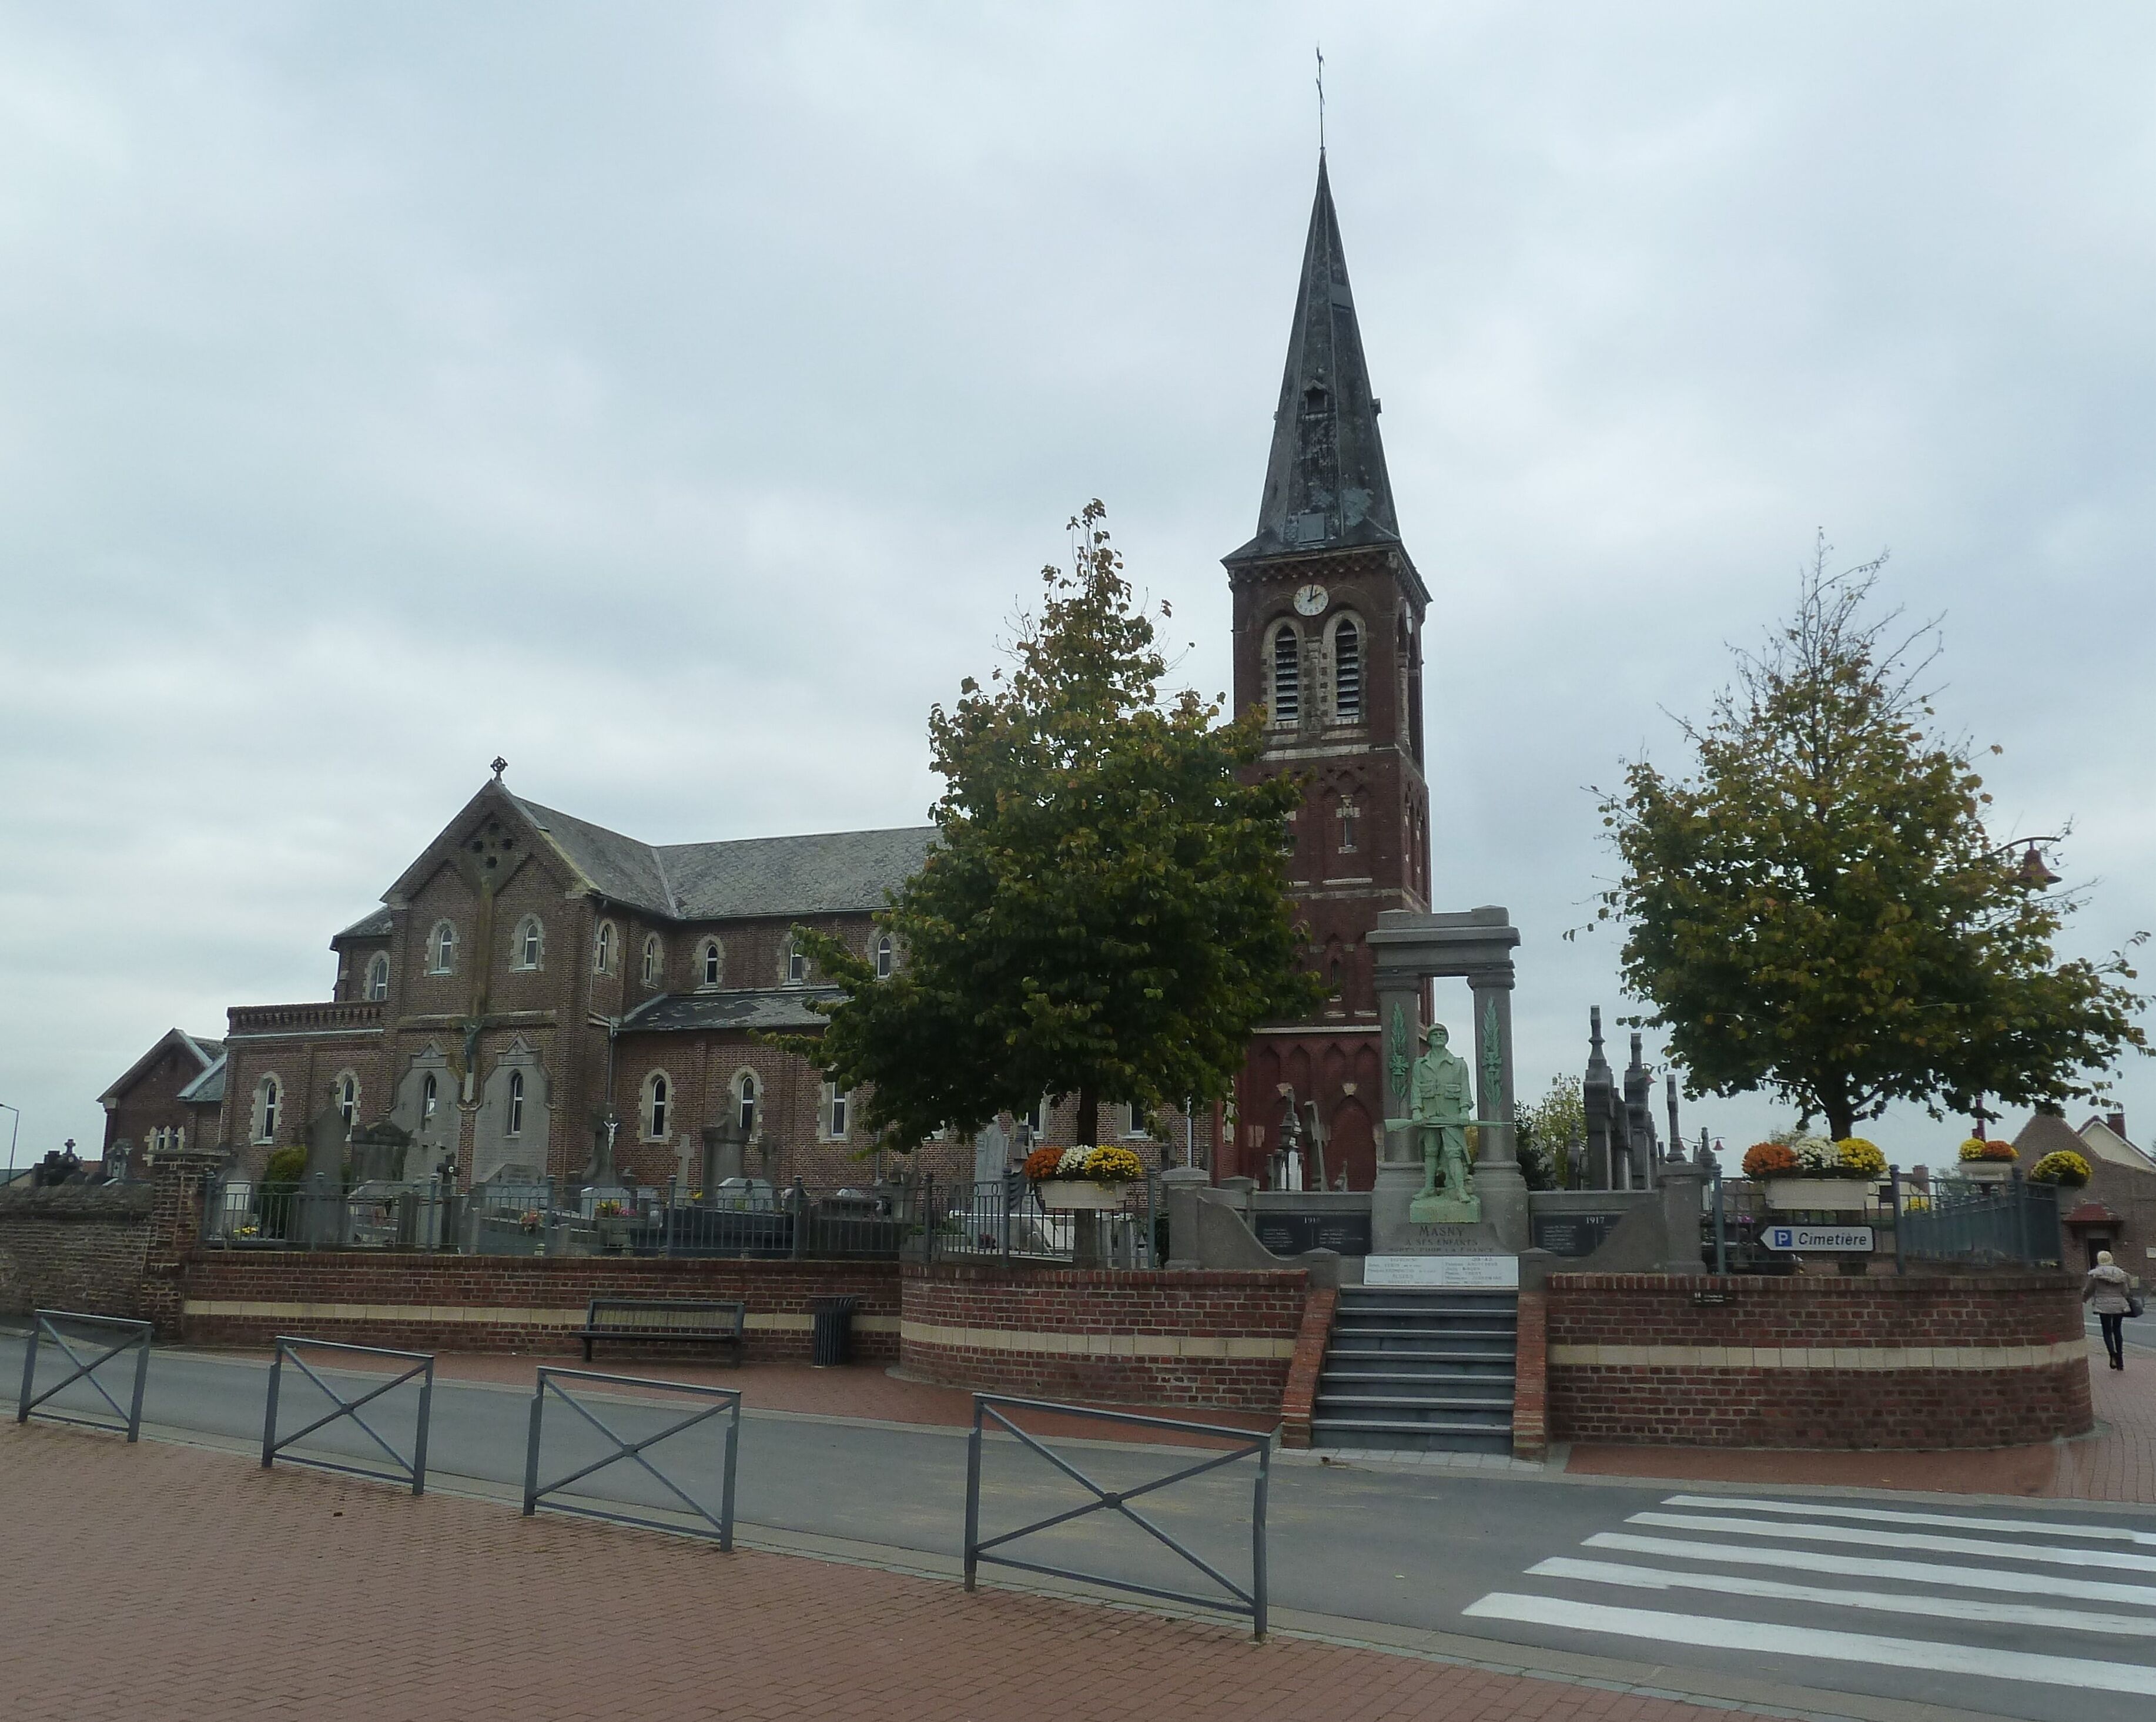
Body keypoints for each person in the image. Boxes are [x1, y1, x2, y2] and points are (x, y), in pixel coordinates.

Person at [2084, 1249, 2133, 1371]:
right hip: (2119, 1305)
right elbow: (2126, 1292)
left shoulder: (2095, 1274)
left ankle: (2113, 1354)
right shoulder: (2121, 1274)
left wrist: (2084, 1299)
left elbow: (2089, 1290)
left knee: (2107, 1331)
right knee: (2117, 1330)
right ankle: (2120, 1361)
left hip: (2103, 1306)